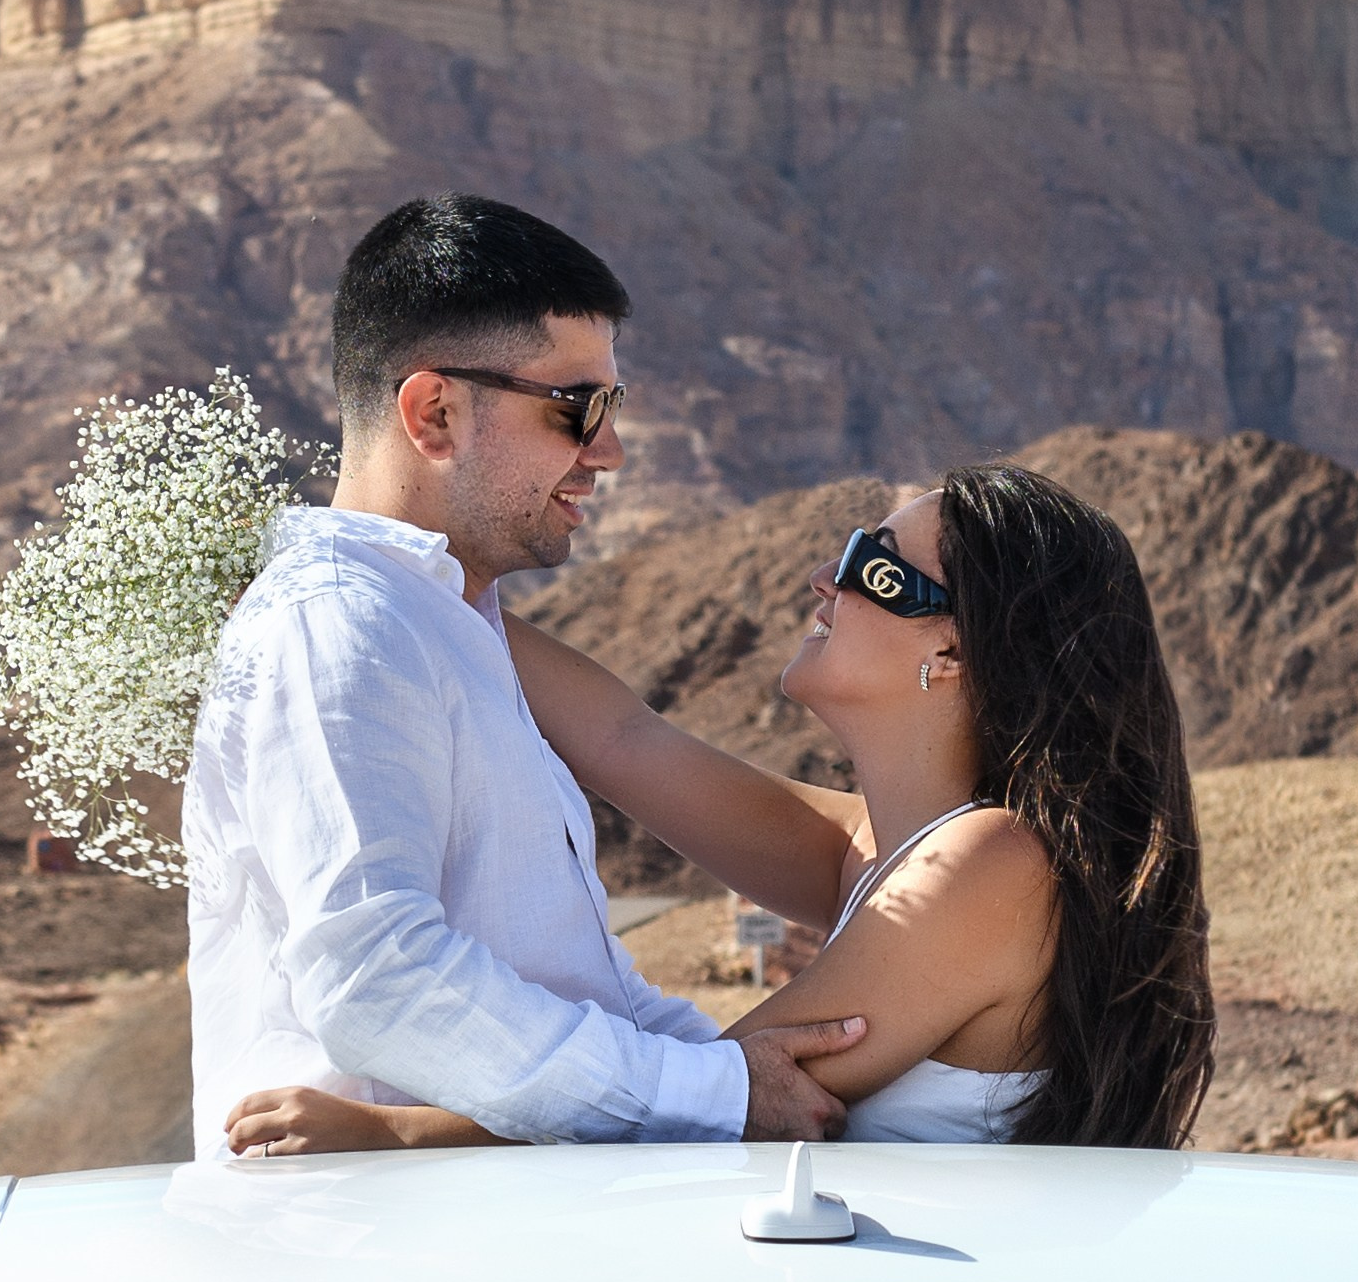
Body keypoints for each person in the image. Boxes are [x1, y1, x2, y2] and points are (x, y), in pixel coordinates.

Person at [227, 458, 1214, 1156]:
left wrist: (403, 1133)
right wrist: (362, 573)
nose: (825, 577)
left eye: (874, 565)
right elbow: (625, 741)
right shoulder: (871, 851)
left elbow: (729, 1093)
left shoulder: (990, 867)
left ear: (955, 650)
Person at [186, 194, 869, 1159]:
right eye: (576, 408)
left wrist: (744, 1079)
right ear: (434, 412)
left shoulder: (446, 626)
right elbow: (376, 975)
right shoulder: (337, 622)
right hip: (381, 1279)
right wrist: (712, 1090)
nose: (610, 452)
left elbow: (579, 984)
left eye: (611, 407)